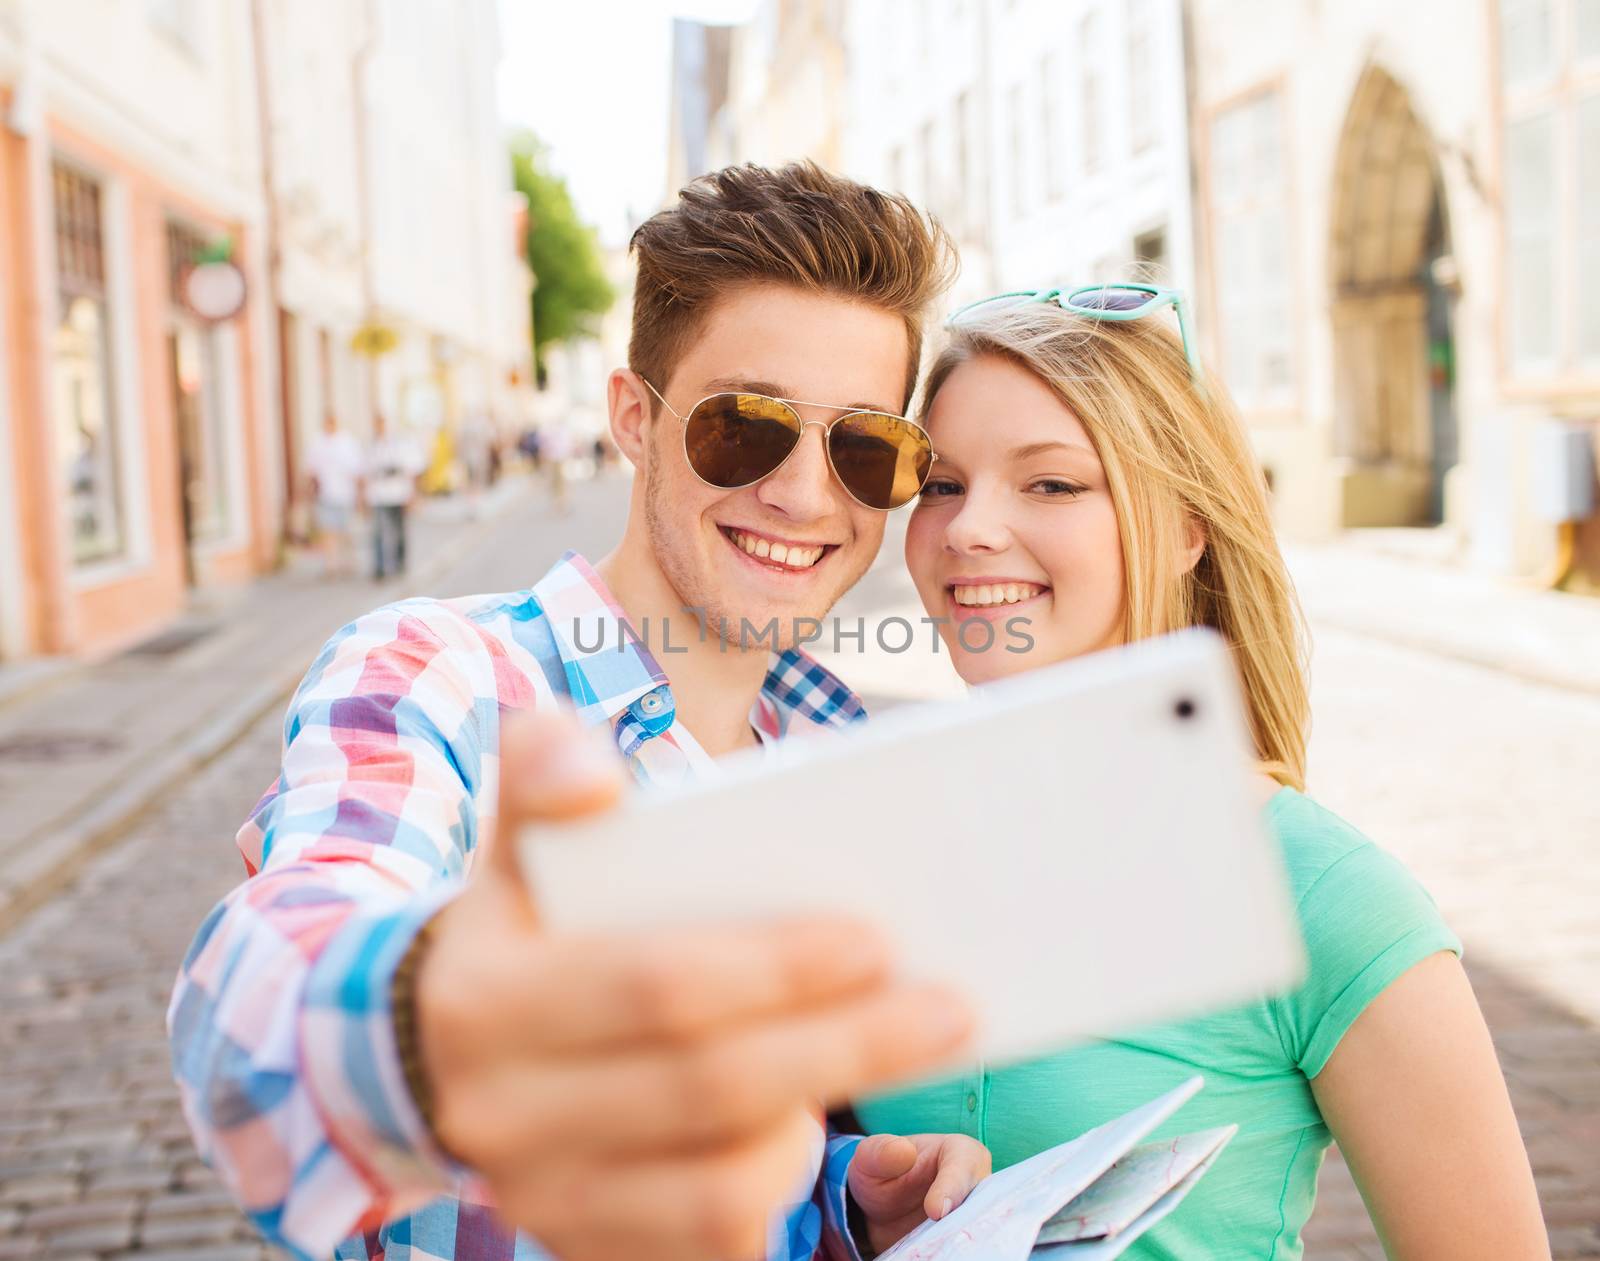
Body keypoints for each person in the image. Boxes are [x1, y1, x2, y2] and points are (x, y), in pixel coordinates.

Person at [167, 163, 989, 1261]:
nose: (802, 493)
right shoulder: (448, 677)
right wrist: (439, 1030)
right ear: (635, 419)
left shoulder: (833, 752)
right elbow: (263, 1005)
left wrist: (839, 1193)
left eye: (862, 446)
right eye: (744, 429)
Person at [859, 287, 1550, 1259]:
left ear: (1185, 526)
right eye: (942, 484)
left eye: (1050, 484)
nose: (970, 528)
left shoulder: (1328, 898)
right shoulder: (868, 839)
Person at [366, 413, 427, 580]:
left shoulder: (400, 445)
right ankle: (380, 567)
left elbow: (413, 470)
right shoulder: (372, 446)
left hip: (399, 494)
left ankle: (400, 562)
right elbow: (366, 472)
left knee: (399, 530)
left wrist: (413, 495)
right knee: (379, 531)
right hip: (379, 495)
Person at [304, 411, 364, 579]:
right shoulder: (317, 443)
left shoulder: (347, 442)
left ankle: (347, 562)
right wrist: (310, 492)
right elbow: (311, 471)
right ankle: (331, 565)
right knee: (328, 531)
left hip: (345, 494)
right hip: (326, 494)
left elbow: (357, 470)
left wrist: (359, 496)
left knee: (345, 531)